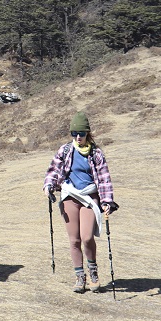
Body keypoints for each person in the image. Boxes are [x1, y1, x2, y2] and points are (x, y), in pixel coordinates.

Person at [43, 111, 118, 293]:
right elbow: (54, 170)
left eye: (81, 134)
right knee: (74, 239)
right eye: (74, 133)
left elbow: (104, 179)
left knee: (86, 237)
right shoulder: (65, 150)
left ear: (88, 133)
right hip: (69, 195)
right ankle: (80, 277)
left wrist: (106, 201)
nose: (78, 137)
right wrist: (49, 186)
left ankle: (93, 272)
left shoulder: (96, 154)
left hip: (89, 197)